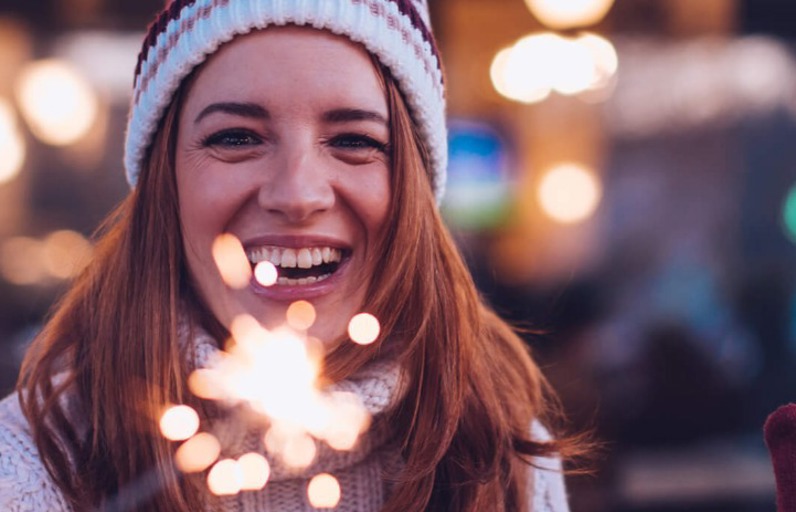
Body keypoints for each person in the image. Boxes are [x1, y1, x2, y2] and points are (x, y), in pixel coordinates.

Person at [0, 1, 582, 510]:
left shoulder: (505, 459)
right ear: (164, 185)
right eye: (235, 137)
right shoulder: (28, 469)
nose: (298, 195)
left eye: (355, 141)